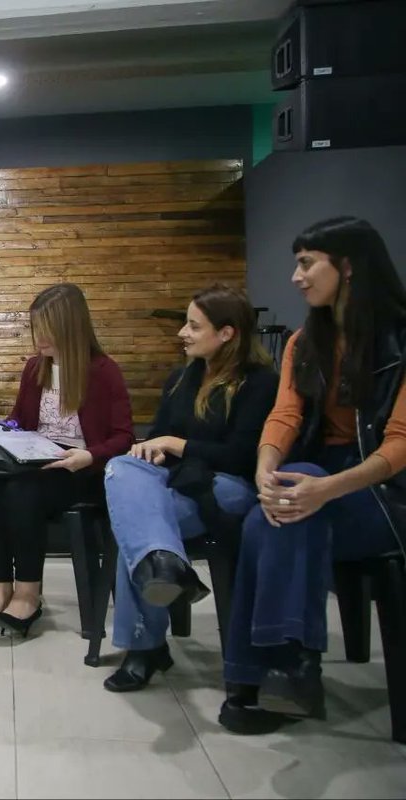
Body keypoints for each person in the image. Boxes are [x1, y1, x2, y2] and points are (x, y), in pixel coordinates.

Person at [220, 217, 406, 734]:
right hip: (315, 478)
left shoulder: (400, 340)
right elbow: (284, 417)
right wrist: (266, 467)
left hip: (384, 493)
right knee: (274, 508)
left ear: (347, 266)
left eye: (306, 264)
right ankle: (289, 668)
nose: (296, 277)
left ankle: (258, 676)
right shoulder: (305, 342)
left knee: (279, 514)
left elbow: (400, 442)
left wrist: (327, 489)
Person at [101, 285, 277, 692]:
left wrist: (176, 445)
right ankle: (167, 567)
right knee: (121, 467)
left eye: (194, 326)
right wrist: (153, 449)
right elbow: (159, 436)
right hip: (176, 481)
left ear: (227, 333)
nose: (183, 333)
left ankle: (145, 648)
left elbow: (241, 457)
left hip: (227, 486)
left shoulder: (261, 383)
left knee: (137, 531)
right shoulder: (181, 379)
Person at [0, 283, 133, 636]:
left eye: (46, 329)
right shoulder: (35, 368)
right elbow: (20, 420)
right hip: (35, 461)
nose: (38, 338)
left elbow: (124, 437)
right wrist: (4, 431)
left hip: (81, 468)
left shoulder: (104, 371)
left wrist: (89, 456)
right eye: (36, 328)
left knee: (23, 492)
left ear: (70, 328)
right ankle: (1, 587)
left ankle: (29, 594)